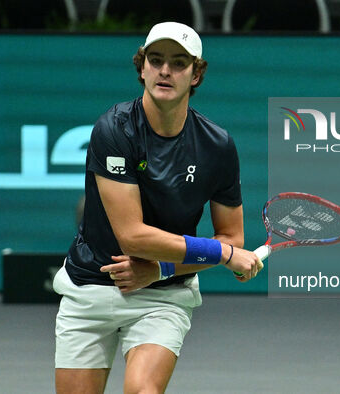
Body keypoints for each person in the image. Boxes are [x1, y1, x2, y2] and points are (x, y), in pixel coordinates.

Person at [53, 21, 261, 393]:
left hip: (163, 295)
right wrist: (223, 254)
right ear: (143, 66)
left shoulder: (218, 146)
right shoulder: (114, 129)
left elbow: (233, 235)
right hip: (91, 286)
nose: (166, 70)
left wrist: (163, 270)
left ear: (196, 73)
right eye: (157, 59)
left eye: (179, 62)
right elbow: (133, 237)